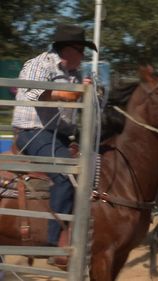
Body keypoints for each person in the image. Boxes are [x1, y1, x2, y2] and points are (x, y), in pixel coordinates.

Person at [11, 24, 97, 247]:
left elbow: (74, 103)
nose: (83, 55)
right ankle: (54, 240)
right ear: (68, 49)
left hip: (60, 134)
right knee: (67, 172)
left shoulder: (75, 74)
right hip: (32, 131)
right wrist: (65, 93)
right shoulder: (39, 63)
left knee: (96, 166)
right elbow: (31, 93)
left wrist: (84, 91)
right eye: (81, 50)